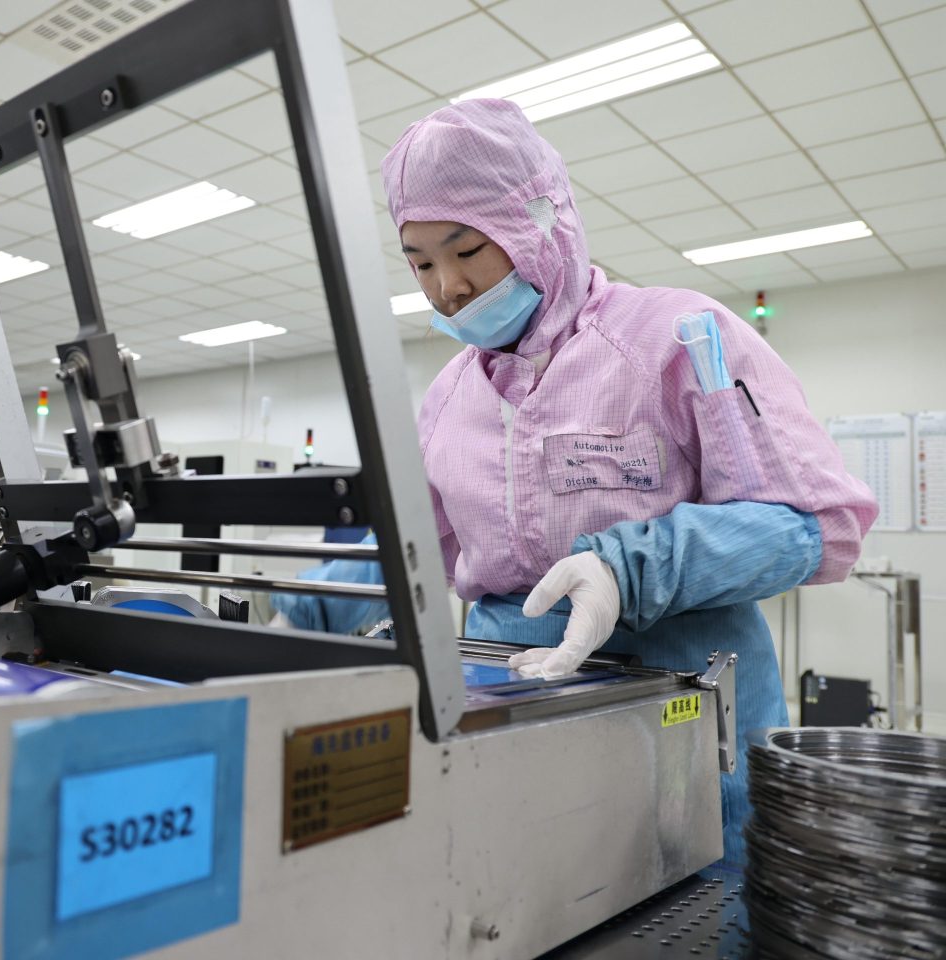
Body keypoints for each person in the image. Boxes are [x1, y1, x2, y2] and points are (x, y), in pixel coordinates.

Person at [274, 100, 876, 867]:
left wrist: (629, 569)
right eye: (421, 261)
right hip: (507, 717)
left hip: (681, 716)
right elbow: (405, 544)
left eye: (466, 250)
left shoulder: (676, 338)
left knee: (697, 913)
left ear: (537, 222)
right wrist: (299, 613)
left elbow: (817, 524)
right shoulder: (451, 397)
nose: (446, 288)